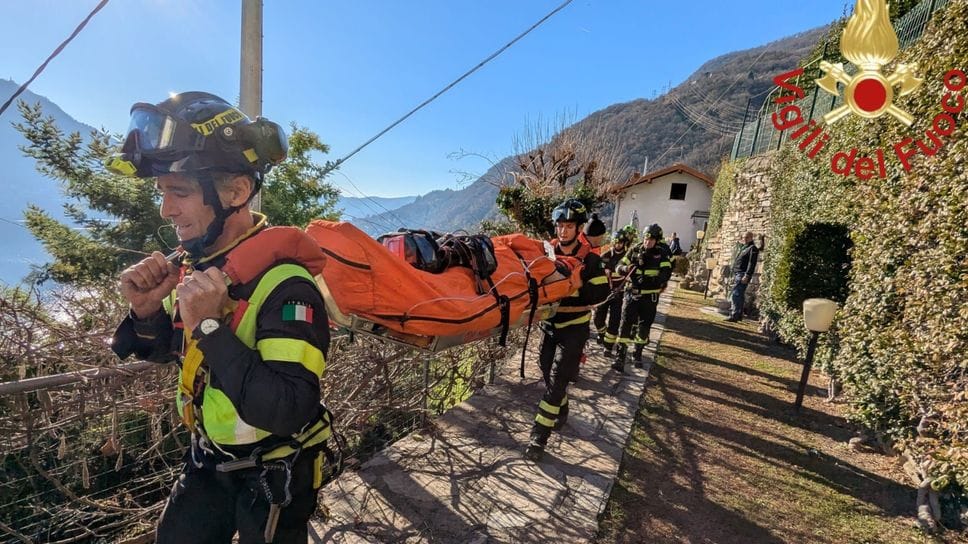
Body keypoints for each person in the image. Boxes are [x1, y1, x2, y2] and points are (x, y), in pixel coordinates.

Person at [108, 92, 334, 543]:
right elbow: (174, 353)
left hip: (275, 471)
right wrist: (146, 312)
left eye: (180, 192)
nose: (165, 210)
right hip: (207, 460)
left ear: (236, 191)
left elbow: (288, 408)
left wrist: (210, 326)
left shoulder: (287, 286)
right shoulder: (203, 269)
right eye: (162, 193)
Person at [525, 199, 609, 462]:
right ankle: (561, 408)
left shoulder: (591, 259)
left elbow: (602, 292)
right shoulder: (546, 253)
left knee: (559, 378)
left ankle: (539, 435)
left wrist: (579, 282)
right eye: (560, 226)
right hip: (549, 325)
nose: (563, 231)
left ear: (579, 228)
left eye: (569, 226)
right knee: (546, 370)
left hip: (575, 327)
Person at [611, 223, 672, 372]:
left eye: (651, 239)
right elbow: (619, 266)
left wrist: (654, 281)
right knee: (625, 325)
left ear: (657, 240)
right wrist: (626, 269)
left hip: (649, 297)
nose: (647, 242)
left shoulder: (661, 254)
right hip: (632, 295)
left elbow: (666, 272)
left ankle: (637, 353)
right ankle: (620, 357)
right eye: (645, 238)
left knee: (644, 327)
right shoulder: (634, 250)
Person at [596, 228, 633, 356]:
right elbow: (597, 271)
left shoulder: (627, 257)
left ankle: (608, 346)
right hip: (604, 292)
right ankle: (602, 334)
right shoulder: (605, 256)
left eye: (620, 242)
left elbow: (630, 272)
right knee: (598, 319)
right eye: (616, 242)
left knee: (614, 320)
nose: (618, 245)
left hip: (619, 293)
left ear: (624, 243)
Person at [726, 231, 759, 322]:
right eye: (743, 237)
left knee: (736, 294)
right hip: (738, 273)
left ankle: (734, 315)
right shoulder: (745, 248)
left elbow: (752, 263)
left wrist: (747, 275)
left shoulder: (752, 248)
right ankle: (738, 314)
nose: (744, 239)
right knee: (739, 295)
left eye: (747, 237)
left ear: (751, 238)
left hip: (742, 274)